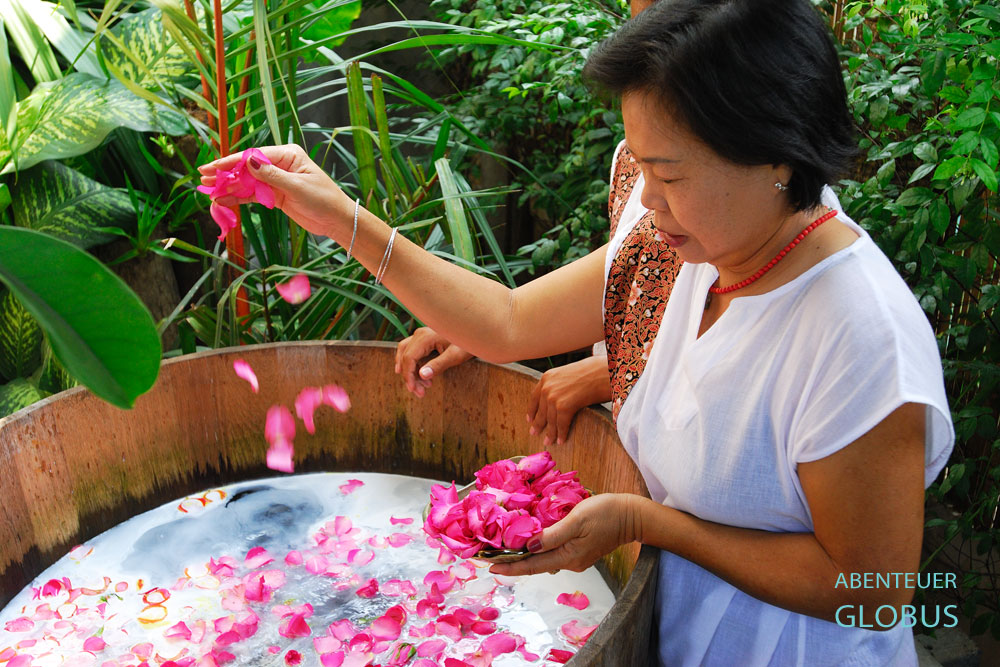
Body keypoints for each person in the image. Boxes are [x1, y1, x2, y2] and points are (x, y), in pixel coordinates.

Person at [199, 0, 954, 664]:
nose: (646, 199)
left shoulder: (858, 340)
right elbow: (508, 320)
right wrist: (338, 216)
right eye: (641, 167)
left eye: (669, 173)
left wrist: (646, 520)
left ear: (777, 159)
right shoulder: (689, 237)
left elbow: (875, 594)